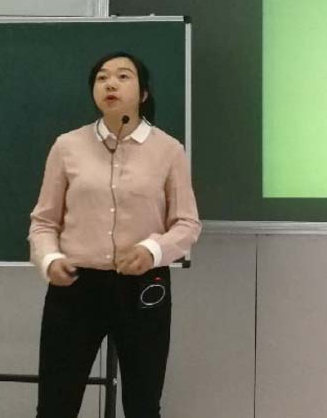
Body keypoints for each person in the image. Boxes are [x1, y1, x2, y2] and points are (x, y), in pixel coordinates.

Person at [28, 51, 201, 418]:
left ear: (143, 93)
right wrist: (50, 259)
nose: (110, 84)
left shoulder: (168, 150)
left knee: (142, 405)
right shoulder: (67, 146)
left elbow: (187, 224)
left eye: (123, 76)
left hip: (142, 286)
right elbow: (44, 222)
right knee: (55, 405)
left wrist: (153, 250)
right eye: (102, 77)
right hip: (76, 287)